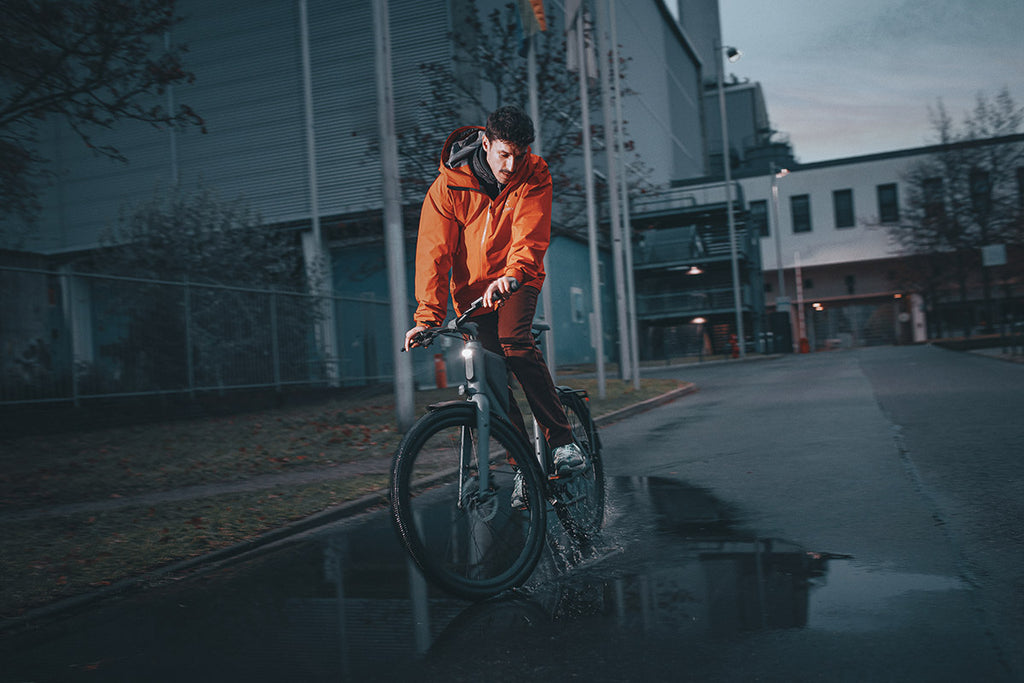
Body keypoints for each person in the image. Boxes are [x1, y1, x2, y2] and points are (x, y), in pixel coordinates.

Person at [404, 105, 584, 492]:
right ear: (485, 143)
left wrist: (513, 274)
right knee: (489, 375)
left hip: (520, 278)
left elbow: (530, 233)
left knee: (514, 342)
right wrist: (427, 316)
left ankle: (563, 440)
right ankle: (524, 468)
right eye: (504, 153)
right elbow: (434, 253)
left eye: (518, 155)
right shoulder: (448, 187)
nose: (510, 164)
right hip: (472, 294)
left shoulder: (534, 175)